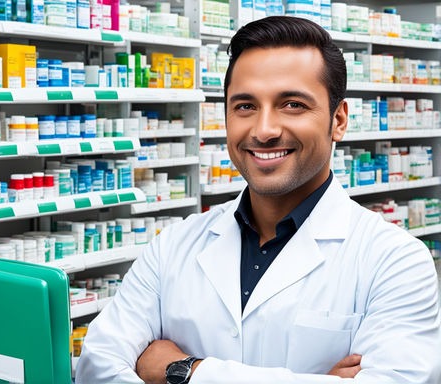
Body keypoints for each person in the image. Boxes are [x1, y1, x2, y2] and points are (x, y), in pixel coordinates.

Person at [75, 15, 441, 384]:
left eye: (293, 104)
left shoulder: (396, 262)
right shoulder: (172, 247)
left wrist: (183, 371)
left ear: (339, 120)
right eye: (245, 106)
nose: (264, 130)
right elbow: (97, 367)